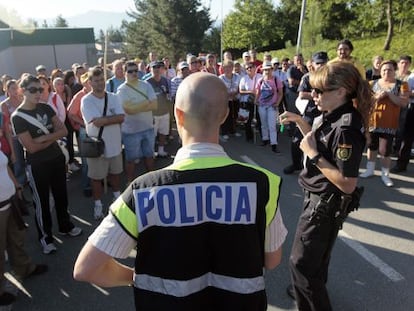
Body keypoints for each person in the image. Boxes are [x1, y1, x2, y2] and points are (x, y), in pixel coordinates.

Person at [73, 72, 287, 310]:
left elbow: (86, 269)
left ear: (178, 115)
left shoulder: (143, 190)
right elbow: (272, 259)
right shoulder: (263, 183)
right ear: (225, 115)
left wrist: (134, 278)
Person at [281, 61, 371, 311]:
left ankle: (310, 297)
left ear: (341, 91)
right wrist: (300, 121)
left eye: (320, 91)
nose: (314, 95)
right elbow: (320, 143)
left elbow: (347, 183)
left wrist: (313, 157)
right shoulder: (334, 117)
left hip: (323, 205)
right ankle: (307, 289)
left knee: (301, 265)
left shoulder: (345, 128)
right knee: (314, 264)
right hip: (319, 200)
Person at [11, 75, 82, 254]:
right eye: (33, 90)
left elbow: (64, 130)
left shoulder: (45, 107)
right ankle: (46, 237)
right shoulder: (17, 117)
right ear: (22, 91)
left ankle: (65, 226)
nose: (38, 93)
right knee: (41, 203)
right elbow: (32, 148)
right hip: (37, 165)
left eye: (40, 89)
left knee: (61, 196)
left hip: (57, 159)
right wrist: (51, 137)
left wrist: (44, 138)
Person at [0, 148, 48, 306]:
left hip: (9, 201)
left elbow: (4, 166)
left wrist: (17, 185)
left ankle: (24, 268)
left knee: (16, 239)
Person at [81, 67, 125, 220]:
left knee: (115, 174)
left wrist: (104, 120)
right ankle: (98, 204)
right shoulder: (86, 100)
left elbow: (121, 118)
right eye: (96, 80)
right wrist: (112, 118)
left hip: (114, 144)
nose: (100, 83)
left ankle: (117, 199)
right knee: (96, 178)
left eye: (102, 80)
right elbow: (96, 122)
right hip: (97, 147)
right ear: (90, 82)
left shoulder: (113, 97)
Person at [360, 60, 409, 186]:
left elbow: (403, 103)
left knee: (385, 150)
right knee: (371, 146)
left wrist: (388, 94)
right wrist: (376, 97)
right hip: (373, 121)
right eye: (384, 70)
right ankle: (370, 170)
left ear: (394, 71)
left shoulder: (402, 84)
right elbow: (365, 101)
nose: (387, 72)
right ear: (380, 72)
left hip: (389, 123)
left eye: (390, 70)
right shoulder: (372, 83)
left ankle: (385, 174)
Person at [283, 51, 327, 175]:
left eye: (323, 63)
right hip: (310, 113)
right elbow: (301, 94)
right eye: (318, 63)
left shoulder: (333, 78)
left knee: (323, 143)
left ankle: (320, 168)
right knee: (297, 140)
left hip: (327, 114)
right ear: (313, 64)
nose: (321, 66)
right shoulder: (308, 77)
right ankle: (296, 164)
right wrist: (315, 96)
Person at [117, 61, 157, 183]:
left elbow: (154, 105)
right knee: (131, 160)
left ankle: (152, 181)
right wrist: (146, 102)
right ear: (125, 73)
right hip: (131, 131)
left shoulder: (146, 85)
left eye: (136, 71)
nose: (134, 73)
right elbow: (129, 110)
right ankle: (130, 183)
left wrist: (135, 106)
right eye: (130, 71)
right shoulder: (121, 90)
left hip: (148, 128)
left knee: (149, 156)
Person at [255, 61, 283, 153]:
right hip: (262, 105)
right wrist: (256, 100)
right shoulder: (261, 80)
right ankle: (265, 139)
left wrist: (277, 103)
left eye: (268, 69)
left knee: (272, 125)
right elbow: (258, 92)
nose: (267, 71)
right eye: (265, 70)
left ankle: (274, 144)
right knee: (264, 124)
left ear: (271, 70)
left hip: (272, 106)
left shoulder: (276, 79)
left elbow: (280, 93)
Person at [145, 61, 171, 158]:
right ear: (150, 69)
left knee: (163, 132)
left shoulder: (165, 80)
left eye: (159, 67)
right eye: (154, 67)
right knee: (152, 135)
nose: (156, 69)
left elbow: (168, 94)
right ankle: (151, 152)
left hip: (164, 111)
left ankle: (161, 150)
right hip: (153, 114)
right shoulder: (147, 82)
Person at [392, 70, 414, 173]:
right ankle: (401, 164)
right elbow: (406, 92)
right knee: (407, 139)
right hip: (412, 108)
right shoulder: (412, 76)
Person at [219, 60, 241, 140]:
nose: (228, 69)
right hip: (225, 100)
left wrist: (236, 94)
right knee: (226, 116)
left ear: (232, 67)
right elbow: (219, 90)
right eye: (225, 67)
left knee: (234, 115)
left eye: (229, 67)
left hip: (235, 99)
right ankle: (224, 131)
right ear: (223, 68)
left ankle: (233, 130)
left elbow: (240, 87)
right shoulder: (221, 78)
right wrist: (228, 95)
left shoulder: (237, 76)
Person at [239, 62, 261, 142]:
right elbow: (241, 91)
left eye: (251, 67)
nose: (249, 69)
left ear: (255, 68)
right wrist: (251, 92)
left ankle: (263, 137)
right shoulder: (243, 78)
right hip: (247, 102)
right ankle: (249, 137)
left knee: (259, 119)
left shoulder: (260, 77)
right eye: (247, 68)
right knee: (248, 120)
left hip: (258, 101)